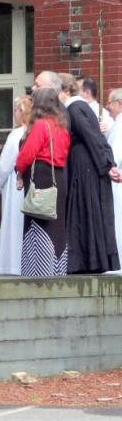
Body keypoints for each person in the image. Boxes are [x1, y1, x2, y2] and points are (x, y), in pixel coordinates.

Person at [58, 73, 121, 273]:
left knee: (85, 210)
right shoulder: (78, 108)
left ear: (65, 91)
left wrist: (107, 163)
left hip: (84, 165)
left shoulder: (76, 109)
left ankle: (86, 261)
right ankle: (87, 260)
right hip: (84, 163)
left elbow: (92, 136)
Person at [15, 88, 71, 276]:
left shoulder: (41, 125)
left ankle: (38, 273)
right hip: (60, 177)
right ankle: (57, 270)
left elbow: (27, 154)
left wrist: (19, 171)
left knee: (37, 222)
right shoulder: (61, 126)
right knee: (56, 224)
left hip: (42, 176)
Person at [0, 96, 32, 276]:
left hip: (14, 184)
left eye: (16, 110)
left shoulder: (16, 135)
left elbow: (5, 165)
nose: (14, 113)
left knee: (14, 223)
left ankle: (12, 265)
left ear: (23, 112)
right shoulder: (32, 132)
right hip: (27, 184)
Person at [106, 88, 122, 272]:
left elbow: (114, 156)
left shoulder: (119, 124)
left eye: (110, 103)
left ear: (119, 104)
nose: (107, 107)